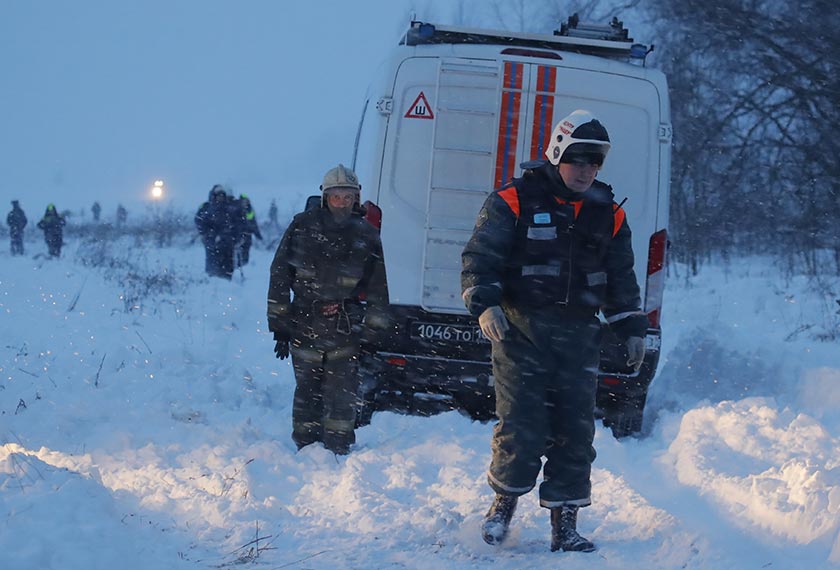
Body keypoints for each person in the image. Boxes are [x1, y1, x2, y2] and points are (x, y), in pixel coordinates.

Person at [461, 110, 648, 553]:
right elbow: (479, 257)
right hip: (519, 332)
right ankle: (502, 507)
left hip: (580, 336)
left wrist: (632, 325)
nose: (586, 171)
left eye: (594, 163)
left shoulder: (609, 214)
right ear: (558, 154)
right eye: (578, 160)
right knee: (521, 425)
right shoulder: (513, 200)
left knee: (575, 431)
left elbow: (621, 278)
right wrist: (484, 304)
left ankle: (565, 525)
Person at [267, 164, 390, 455]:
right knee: (307, 389)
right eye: (337, 196)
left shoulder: (366, 234)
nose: (343, 202)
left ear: (357, 198)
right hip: (304, 323)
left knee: (342, 393)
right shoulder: (302, 227)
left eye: (349, 197)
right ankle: (306, 447)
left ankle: (338, 447)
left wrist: (373, 333)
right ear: (325, 196)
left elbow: (378, 286)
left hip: (345, 327)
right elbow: (280, 275)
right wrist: (279, 326)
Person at [195, 185, 238, 279]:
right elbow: (199, 221)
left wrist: (233, 235)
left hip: (227, 240)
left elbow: (236, 223)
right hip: (211, 239)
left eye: (222, 195)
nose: (220, 197)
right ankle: (212, 277)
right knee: (212, 259)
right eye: (218, 195)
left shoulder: (229, 208)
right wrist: (207, 233)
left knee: (227, 259)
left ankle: (227, 277)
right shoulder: (207, 207)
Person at [235, 194, 262, 267]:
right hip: (240, 234)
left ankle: (242, 264)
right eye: (244, 201)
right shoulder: (237, 209)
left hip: (248, 235)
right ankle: (237, 266)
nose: (245, 202)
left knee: (246, 253)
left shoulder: (250, 210)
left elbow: (254, 223)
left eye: (246, 201)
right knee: (238, 252)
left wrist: (258, 234)